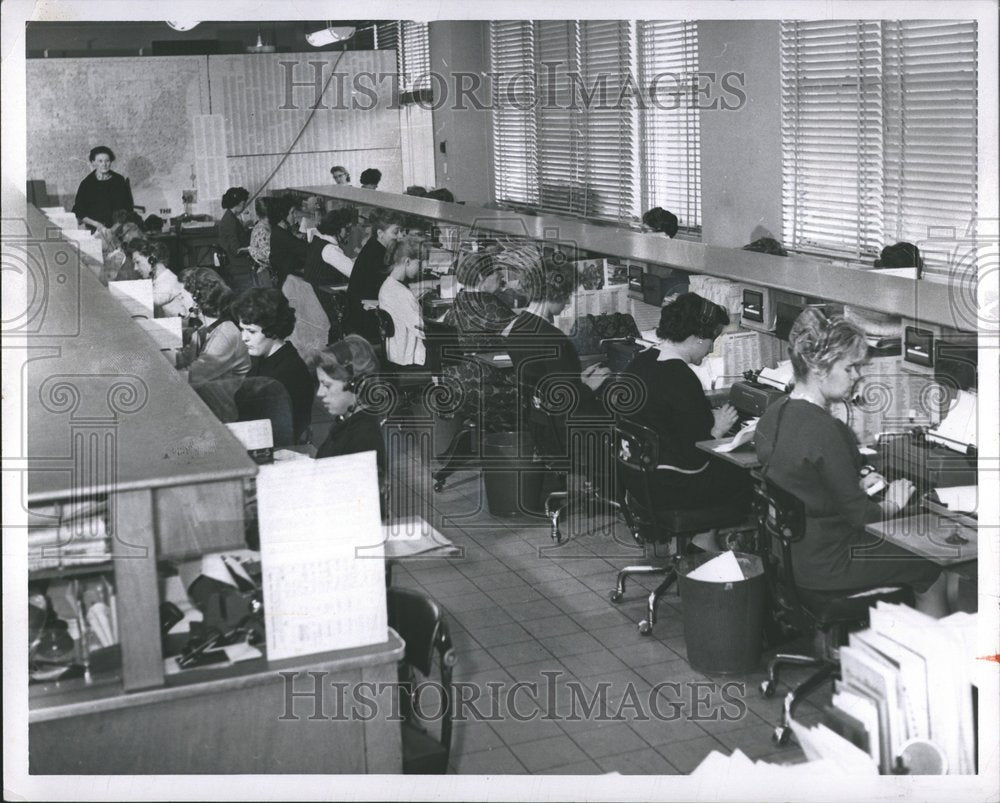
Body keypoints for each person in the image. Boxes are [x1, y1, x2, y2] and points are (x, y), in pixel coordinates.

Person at [755, 308, 946, 615]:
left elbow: (799, 477)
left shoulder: (775, 412)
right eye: (850, 368)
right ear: (818, 368)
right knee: (933, 561)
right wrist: (894, 503)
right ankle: (935, 658)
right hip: (830, 562)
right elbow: (864, 518)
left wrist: (851, 482)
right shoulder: (826, 430)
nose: (857, 377)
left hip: (791, 555)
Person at [624, 293, 752, 510]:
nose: (711, 349)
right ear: (698, 337)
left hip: (635, 477)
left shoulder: (641, 361)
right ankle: (705, 539)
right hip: (673, 484)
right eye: (713, 340)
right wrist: (718, 429)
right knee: (748, 477)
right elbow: (697, 454)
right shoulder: (681, 377)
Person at [504, 247, 611, 462]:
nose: (569, 302)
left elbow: (545, 382)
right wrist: (589, 386)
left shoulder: (518, 327)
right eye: (568, 295)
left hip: (540, 424)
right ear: (555, 293)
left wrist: (577, 379)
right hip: (564, 431)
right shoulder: (553, 339)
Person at [307, 335, 387, 504]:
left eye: (327, 385)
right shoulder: (348, 423)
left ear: (358, 386)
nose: (319, 393)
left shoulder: (364, 440)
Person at [232, 288, 316, 442]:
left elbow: (277, 433)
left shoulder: (287, 373)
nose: (244, 338)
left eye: (251, 331)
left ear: (273, 330)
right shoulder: (265, 359)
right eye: (242, 330)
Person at [177, 268, 251, 386]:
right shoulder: (202, 330)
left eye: (181, 295)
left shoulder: (225, 335)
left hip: (224, 402)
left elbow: (192, 377)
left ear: (196, 299)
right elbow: (184, 360)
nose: (178, 300)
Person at [345, 209, 404, 338]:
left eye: (401, 231)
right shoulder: (377, 255)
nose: (400, 236)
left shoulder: (373, 247)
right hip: (367, 321)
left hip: (358, 315)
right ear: (380, 233)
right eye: (395, 232)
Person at [378, 237, 425, 368]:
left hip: (393, 353)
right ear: (408, 261)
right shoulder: (403, 293)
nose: (420, 269)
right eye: (419, 264)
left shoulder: (387, 285)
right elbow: (421, 330)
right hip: (407, 359)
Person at [72, 146, 134, 232]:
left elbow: (128, 207)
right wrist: (97, 225)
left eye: (107, 161)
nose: (104, 164)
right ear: (93, 162)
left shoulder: (119, 180)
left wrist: (117, 226)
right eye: (100, 161)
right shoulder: (87, 183)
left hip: (119, 228)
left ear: (111, 161)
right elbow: (79, 212)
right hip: (95, 229)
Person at [129, 240, 188, 317]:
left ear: (151, 260)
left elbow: (154, 300)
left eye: (137, 262)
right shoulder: (159, 280)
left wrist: (135, 288)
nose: (135, 268)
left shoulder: (168, 280)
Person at [304, 208, 356, 286]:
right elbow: (355, 273)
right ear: (337, 228)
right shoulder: (330, 249)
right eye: (347, 228)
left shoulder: (318, 241)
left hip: (314, 291)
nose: (348, 233)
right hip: (324, 294)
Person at [265, 196, 308, 286]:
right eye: (292, 213)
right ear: (283, 215)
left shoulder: (278, 230)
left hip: (285, 276)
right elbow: (305, 250)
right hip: (288, 281)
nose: (295, 216)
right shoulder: (282, 235)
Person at [218, 187, 255, 293]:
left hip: (234, 262)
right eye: (244, 203)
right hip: (238, 264)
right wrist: (254, 249)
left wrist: (246, 229)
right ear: (239, 203)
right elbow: (236, 250)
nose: (244, 206)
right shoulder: (230, 221)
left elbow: (237, 236)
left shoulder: (230, 217)